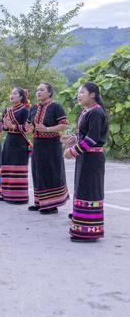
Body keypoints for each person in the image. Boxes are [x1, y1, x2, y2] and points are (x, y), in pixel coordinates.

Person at [63, 82, 107, 242]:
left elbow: (92, 138)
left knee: (89, 191)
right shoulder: (87, 111)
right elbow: (85, 134)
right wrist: (74, 139)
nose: (79, 95)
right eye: (78, 92)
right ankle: (82, 229)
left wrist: (72, 151)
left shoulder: (96, 112)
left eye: (82, 92)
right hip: (86, 158)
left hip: (92, 159)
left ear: (93, 94)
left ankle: (89, 232)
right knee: (82, 189)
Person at [27, 82, 69, 214]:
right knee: (38, 172)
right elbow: (29, 126)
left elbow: (64, 125)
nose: (38, 92)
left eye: (41, 90)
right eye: (37, 90)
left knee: (50, 172)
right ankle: (40, 202)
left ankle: (52, 205)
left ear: (49, 92)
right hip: (38, 144)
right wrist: (30, 128)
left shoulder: (56, 107)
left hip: (51, 145)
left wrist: (47, 129)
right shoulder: (34, 108)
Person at [0, 88, 31, 204]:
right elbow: (2, 126)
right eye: (11, 93)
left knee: (17, 167)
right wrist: (6, 126)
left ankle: (18, 197)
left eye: (15, 93)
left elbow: (27, 128)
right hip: (9, 141)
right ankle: (6, 194)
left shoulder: (25, 110)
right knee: (7, 165)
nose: (12, 95)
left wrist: (12, 126)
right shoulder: (7, 110)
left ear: (21, 97)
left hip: (20, 142)